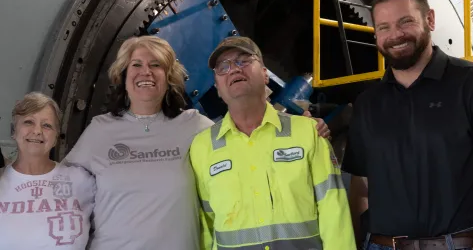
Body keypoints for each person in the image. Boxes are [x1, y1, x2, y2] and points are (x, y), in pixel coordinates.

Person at [63, 35, 332, 250]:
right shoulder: (100, 131)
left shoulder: (195, 126)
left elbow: (248, 138)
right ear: (123, 75)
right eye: (136, 65)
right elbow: (59, 190)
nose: (146, 72)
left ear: (168, 78)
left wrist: (305, 129)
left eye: (156, 65)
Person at [342, 0, 473, 250]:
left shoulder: (471, 84)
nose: (395, 35)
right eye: (384, 27)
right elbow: (361, 186)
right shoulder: (368, 104)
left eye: (405, 22)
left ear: (429, 20)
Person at [190, 36, 356, 250]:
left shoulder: (308, 133)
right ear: (218, 89)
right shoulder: (202, 147)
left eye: (244, 60)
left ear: (265, 74)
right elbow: (206, 228)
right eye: (223, 66)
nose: (234, 69)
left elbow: (335, 213)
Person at [0, 92, 95, 249]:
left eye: (47, 125)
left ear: (56, 137)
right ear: (13, 131)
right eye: (28, 122)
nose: (37, 131)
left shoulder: (81, 181)